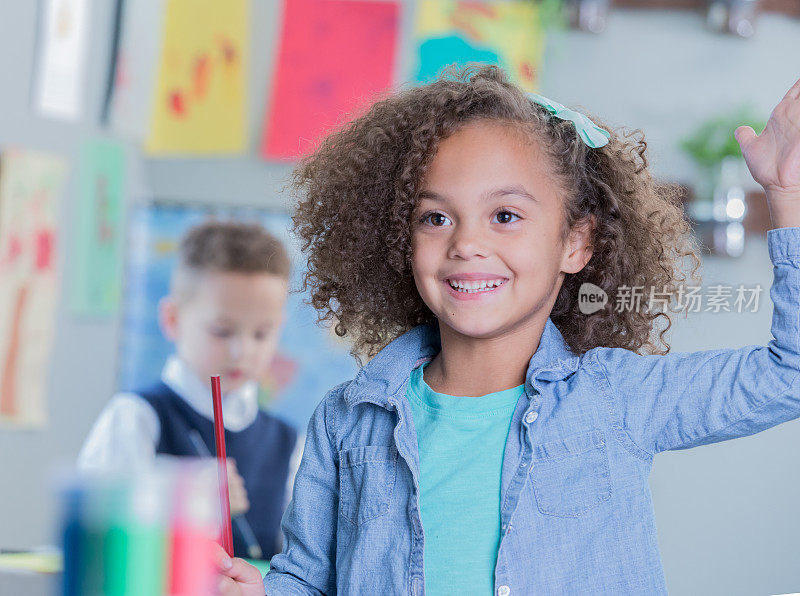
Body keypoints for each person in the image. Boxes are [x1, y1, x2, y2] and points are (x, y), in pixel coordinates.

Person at [215, 64, 800, 595]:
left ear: (576, 243)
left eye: (505, 216)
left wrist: (787, 196)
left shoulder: (616, 400)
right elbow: (307, 580)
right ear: (401, 238)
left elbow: (789, 373)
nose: (467, 243)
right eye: (436, 217)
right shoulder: (348, 419)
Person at [79, 220, 303, 561]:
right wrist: (181, 496)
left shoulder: (289, 443)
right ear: (172, 319)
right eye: (221, 331)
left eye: (261, 333)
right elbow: (90, 520)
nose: (241, 351)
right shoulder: (136, 416)